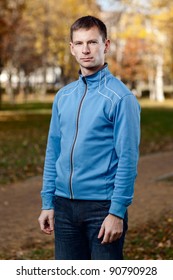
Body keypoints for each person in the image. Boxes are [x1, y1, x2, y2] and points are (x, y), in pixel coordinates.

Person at [38, 15, 140, 260]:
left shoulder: (120, 98)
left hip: (102, 209)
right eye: (80, 43)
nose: (86, 49)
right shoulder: (63, 96)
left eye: (92, 42)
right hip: (63, 207)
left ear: (106, 45)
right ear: (72, 48)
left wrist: (117, 212)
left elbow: (127, 159)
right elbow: (54, 151)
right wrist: (47, 202)